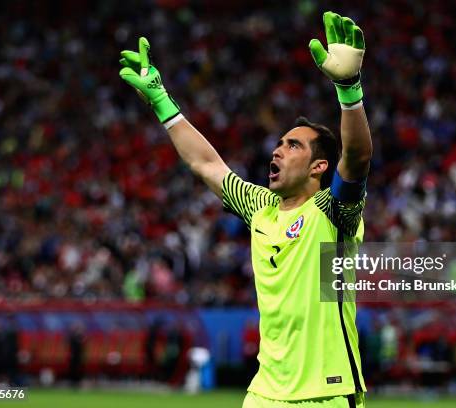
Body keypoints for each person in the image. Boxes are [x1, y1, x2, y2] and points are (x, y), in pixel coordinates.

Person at [119, 11, 372, 408]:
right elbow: (206, 164)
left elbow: (356, 158)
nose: (277, 150)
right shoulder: (261, 207)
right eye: (279, 143)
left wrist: (348, 89)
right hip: (263, 392)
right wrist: (161, 102)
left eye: (293, 146)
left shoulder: (333, 212)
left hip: (325, 392)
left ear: (318, 167)